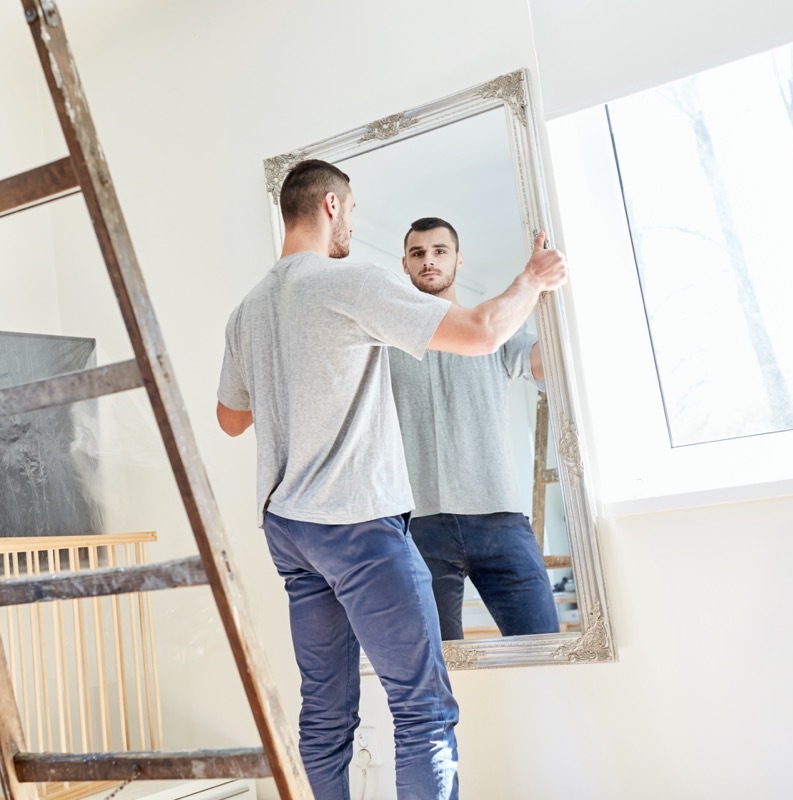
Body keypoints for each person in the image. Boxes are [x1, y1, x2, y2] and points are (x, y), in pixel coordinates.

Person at [215, 162, 567, 800]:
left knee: (325, 716)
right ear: (330, 205)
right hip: (357, 525)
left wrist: (293, 380)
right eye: (350, 210)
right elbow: (485, 332)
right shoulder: (348, 283)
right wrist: (532, 279)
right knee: (423, 709)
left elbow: (231, 420)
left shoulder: (249, 308)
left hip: (289, 532)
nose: (352, 223)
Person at [390, 217, 562, 641]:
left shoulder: (496, 331)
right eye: (418, 254)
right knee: (439, 670)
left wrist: (544, 293)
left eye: (439, 251)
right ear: (405, 265)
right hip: (422, 527)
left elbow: (548, 362)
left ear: (458, 259)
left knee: (545, 648)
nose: (428, 261)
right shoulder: (386, 346)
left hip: (499, 520)